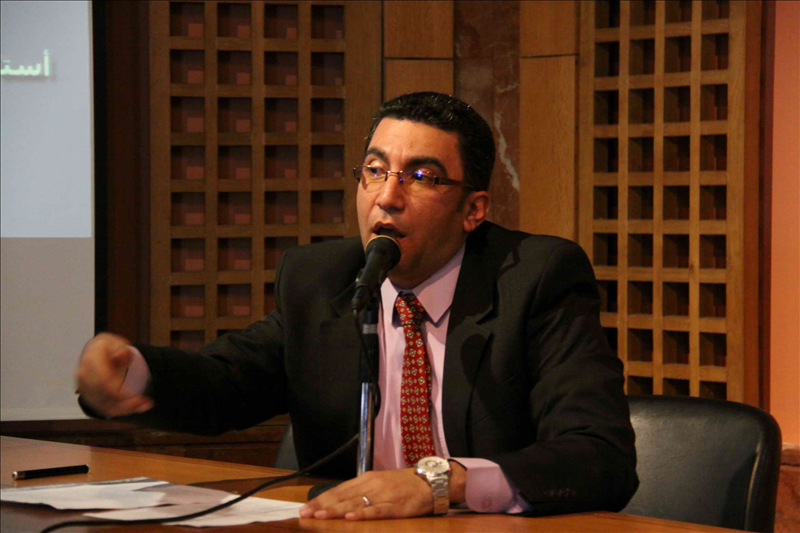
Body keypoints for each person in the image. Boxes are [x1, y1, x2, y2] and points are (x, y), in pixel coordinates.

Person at [76, 92, 638, 520]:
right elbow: (227, 381)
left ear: (473, 210)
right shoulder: (320, 279)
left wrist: (438, 482)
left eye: (421, 177)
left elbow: (598, 455)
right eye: (374, 170)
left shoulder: (536, 279)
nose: (387, 197)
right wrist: (131, 375)